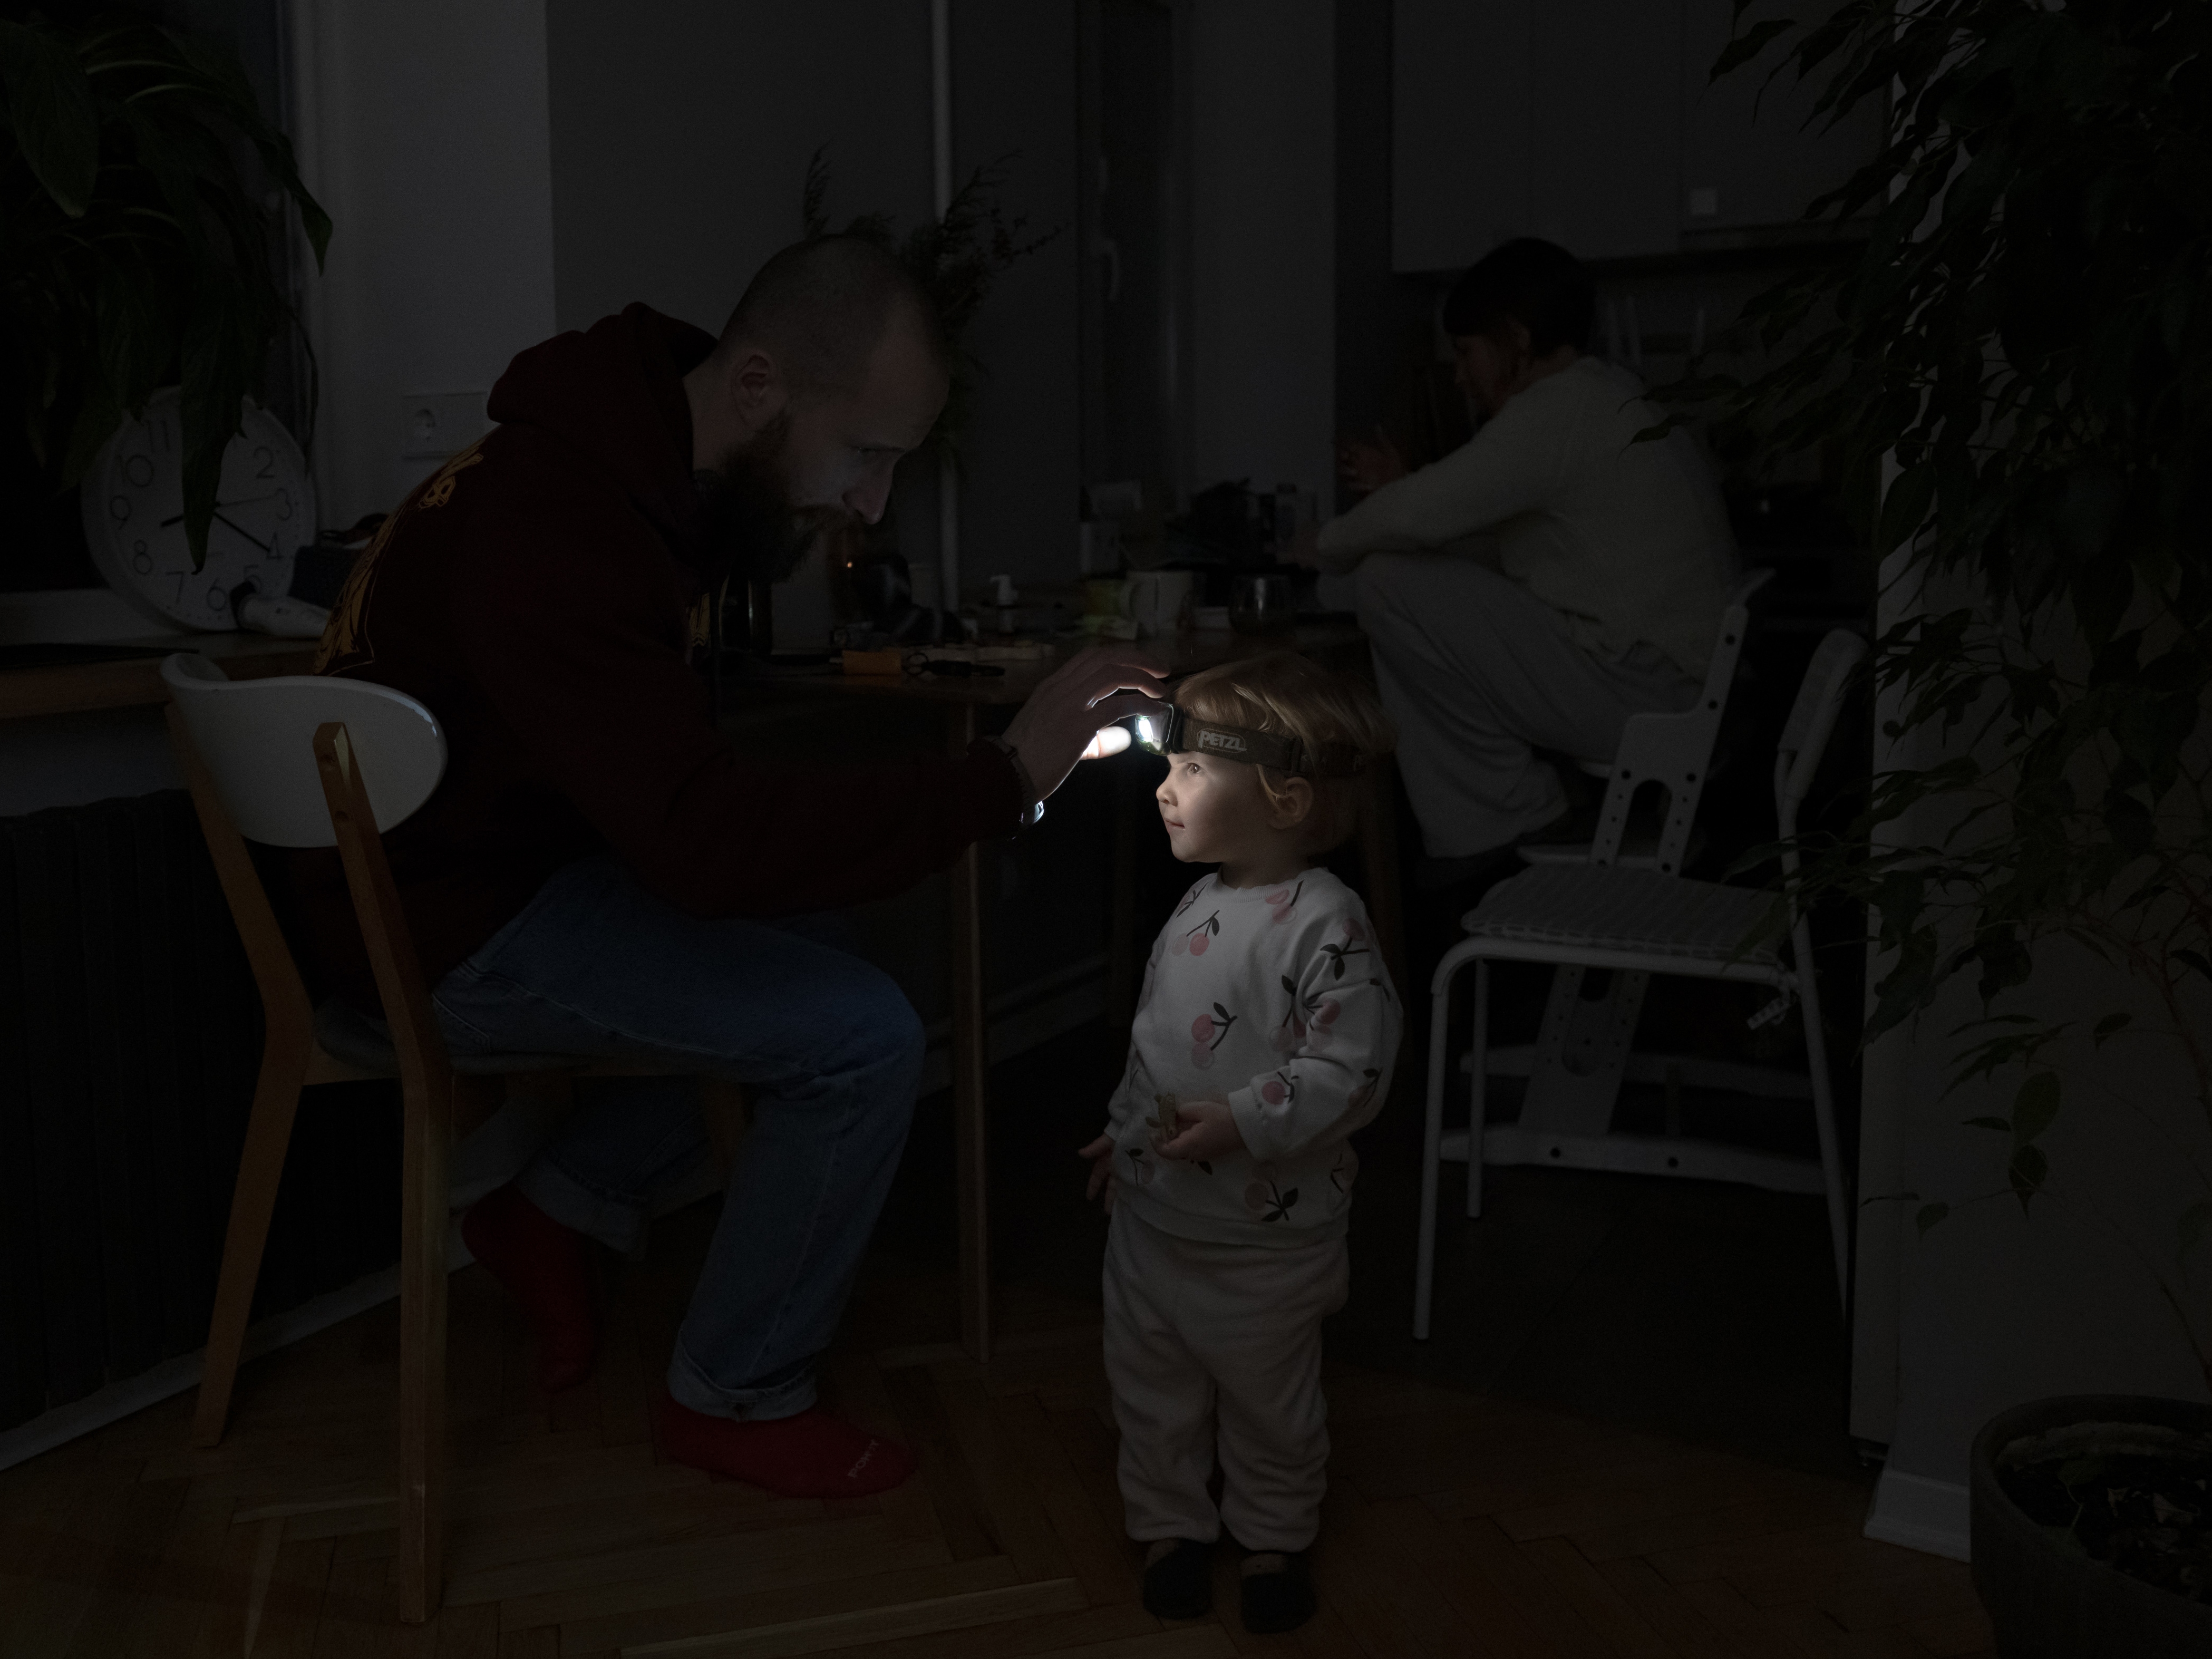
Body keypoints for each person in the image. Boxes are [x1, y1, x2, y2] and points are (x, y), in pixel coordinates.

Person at [300, 236, 1163, 1500]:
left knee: (824, 954)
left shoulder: (626, 470)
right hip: (430, 932)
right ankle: (737, 1389)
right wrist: (1001, 777)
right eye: (867, 456)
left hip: (482, 875)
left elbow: (683, 814)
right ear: (756, 387)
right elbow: (703, 844)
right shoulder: (559, 526)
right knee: (859, 1033)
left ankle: (559, 1203)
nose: (871, 505)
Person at [1078, 654, 1400, 1635]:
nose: (1165, 787)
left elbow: (1353, 1066)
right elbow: (1161, 1041)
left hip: (1266, 1245)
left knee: (1270, 1406)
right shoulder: (1198, 902)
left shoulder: (1325, 925)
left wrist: (1248, 1118)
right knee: (1153, 1391)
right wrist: (1125, 1132)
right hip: (1155, 1224)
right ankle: (1172, 1526)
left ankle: (1272, 1537)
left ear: (1285, 797)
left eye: (1191, 771)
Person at [1313, 238, 1736, 883]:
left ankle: (1507, 817)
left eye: (1466, 352)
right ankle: (1498, 817)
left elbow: (1419, 515)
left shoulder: (1558, 408)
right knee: (1402, 580)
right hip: (1675, 686)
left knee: (1382, 583)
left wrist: (1317, 547)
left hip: (1650, 696)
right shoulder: (1608, 393)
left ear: (1514, 339)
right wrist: (1407, 499)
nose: (1459, 375)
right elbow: (1482, 540)